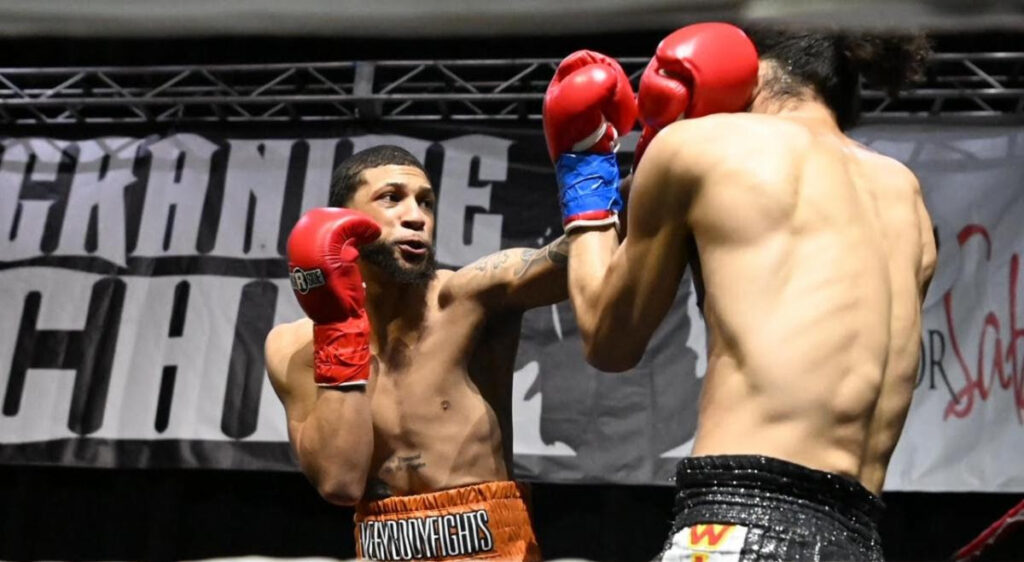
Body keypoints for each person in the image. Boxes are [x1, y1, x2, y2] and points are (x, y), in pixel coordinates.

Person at [545, 23, 936, 560]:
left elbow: (608, 339)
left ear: (746, 67)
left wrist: (585, 165)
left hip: (737, 525)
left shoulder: (701, 147)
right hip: (858, 539)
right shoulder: (905, 193)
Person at [263, 145, 590, 561]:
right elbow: (340, 482)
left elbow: (581, 255)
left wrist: (613, 163)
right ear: (343, 218)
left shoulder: (472, 298)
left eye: (426, 202)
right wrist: (339, 328)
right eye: (392, 197)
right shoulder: (294, 347)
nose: (417, 216)